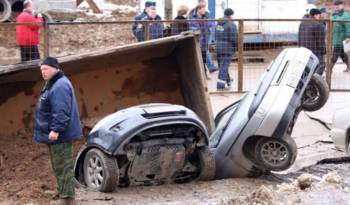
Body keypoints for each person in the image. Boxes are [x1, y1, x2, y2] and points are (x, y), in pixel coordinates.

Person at [34, 57, 82, 205]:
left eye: (46, 68)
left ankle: (67, 199)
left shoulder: (59, 85)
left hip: (60, 134)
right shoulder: (55, 83)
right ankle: (62, 191)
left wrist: (55, 130)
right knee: (58, 165)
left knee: (63, 166)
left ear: (56, 68)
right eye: (41, 69)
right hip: (57, 134)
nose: (43, 72)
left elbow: (61, 111)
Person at [298, 8, 326, 75]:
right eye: (319, 15)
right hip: (315, 50)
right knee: (321, 65)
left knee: (307, 67)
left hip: (304, 50)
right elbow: (321, 40)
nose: (319, 17)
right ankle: (314, 81)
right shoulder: (318, 25)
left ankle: (306, 82)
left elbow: (299, 37)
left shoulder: (302, 23)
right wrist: (323, 51)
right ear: (315, 15)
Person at [215, 8, 237, 90]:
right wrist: (235, 47)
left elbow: (215, 34)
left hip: (218, 47)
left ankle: (228, 81)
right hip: (227, 48)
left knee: (222, 65)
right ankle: (220, 85)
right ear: (231, 15)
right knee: (224, 66)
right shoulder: (231, 24)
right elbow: (234, 38)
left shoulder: (218, 23)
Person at [189, 3, 213, 76]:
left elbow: (210, 25)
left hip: (205, 41)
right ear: (198, 9)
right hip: (197, 41)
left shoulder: (205, 16)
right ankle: (200, 74)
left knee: (204, 58)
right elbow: (194, 29)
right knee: (197, 59)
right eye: (203, 9)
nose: (205, 10)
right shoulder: (192, 18)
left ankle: (204, 73)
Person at [330, 0, 350, 72]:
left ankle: (329, 69)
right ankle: (348, 67)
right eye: (335, 7)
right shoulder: (333, 15)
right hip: (335, 38)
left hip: (342, 39)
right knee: (342, 54)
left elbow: (348, 26)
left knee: (335, 54)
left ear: (342, 6)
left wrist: (348, 36)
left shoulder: (345, 16)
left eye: (338, 6)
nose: (336, 8)